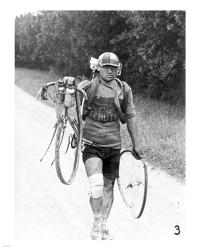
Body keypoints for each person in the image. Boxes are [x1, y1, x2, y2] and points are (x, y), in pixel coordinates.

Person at [64, 52, 142, 240]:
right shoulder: (87, 87)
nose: (109, 71)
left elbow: (130, 116)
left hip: (113, 145)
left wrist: (137, 143)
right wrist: (68, 89)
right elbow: (70, 107)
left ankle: (103, 224)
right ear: (97, 67)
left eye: (113, 68)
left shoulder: (124, 89)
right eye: (106, 67)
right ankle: (96, 222)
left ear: (118, 69)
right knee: (97, 184)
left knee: (109, 186)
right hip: (91, 143)